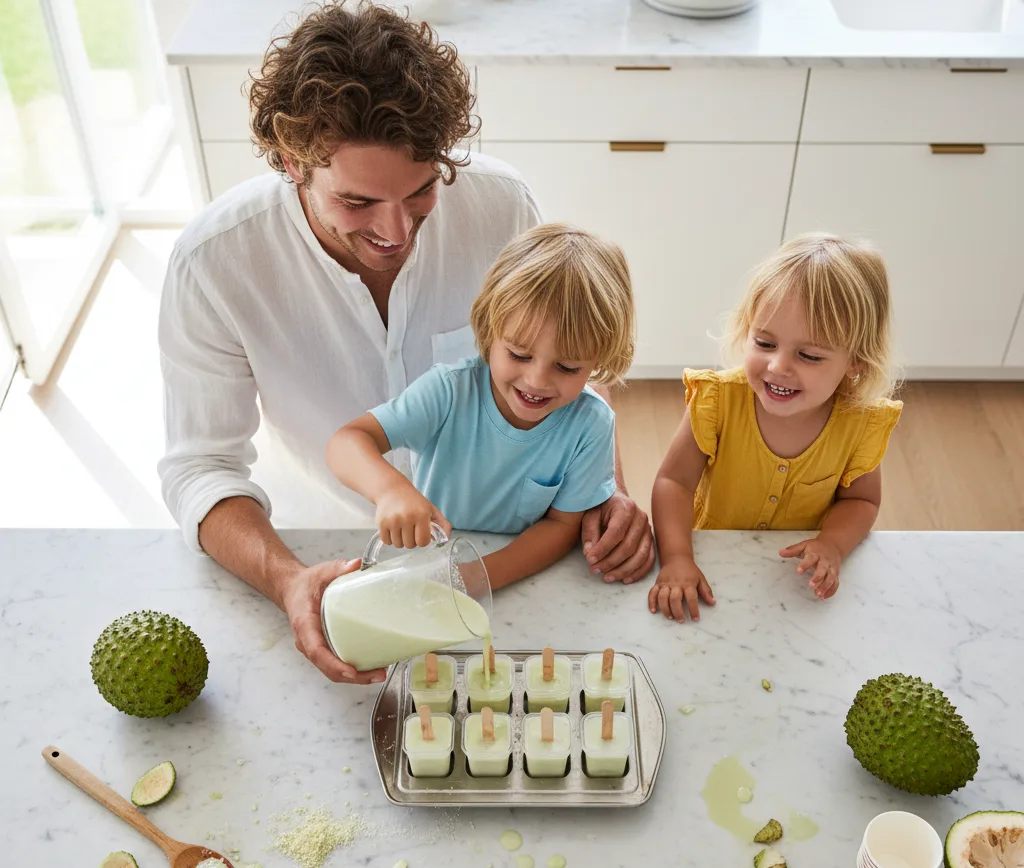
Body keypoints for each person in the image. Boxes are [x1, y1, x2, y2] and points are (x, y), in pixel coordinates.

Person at [156, 1, 653, 686]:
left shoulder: (501, 205)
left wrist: (607, 495)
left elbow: (563, 366)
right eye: (358, 203)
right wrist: (289, 582)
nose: (397, 231)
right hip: (325, 558)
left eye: (421, 192)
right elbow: (200, 470)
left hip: (505, 554)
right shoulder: (214, 261)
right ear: (287, 162)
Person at [326, 223, 635, 592]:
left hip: (516, 577)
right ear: (490, 331)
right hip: (429, 561)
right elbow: (348, 441)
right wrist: (390, 490)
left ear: (599, 360)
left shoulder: (592, 424)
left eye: (567, 367)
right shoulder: (449, 391)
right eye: (519, 354)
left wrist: (476, 577)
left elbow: (561, 527)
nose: (536, 381)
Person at [648, 233, 902, 622]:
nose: (778, 366)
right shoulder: (718, 400)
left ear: (856, 362)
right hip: (709, 562)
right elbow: (674, 482)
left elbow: (861, 501)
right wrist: (678, 557)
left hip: (791, 585)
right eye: (765, 343)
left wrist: (831, 545)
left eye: (809, 355)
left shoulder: (861, 423)